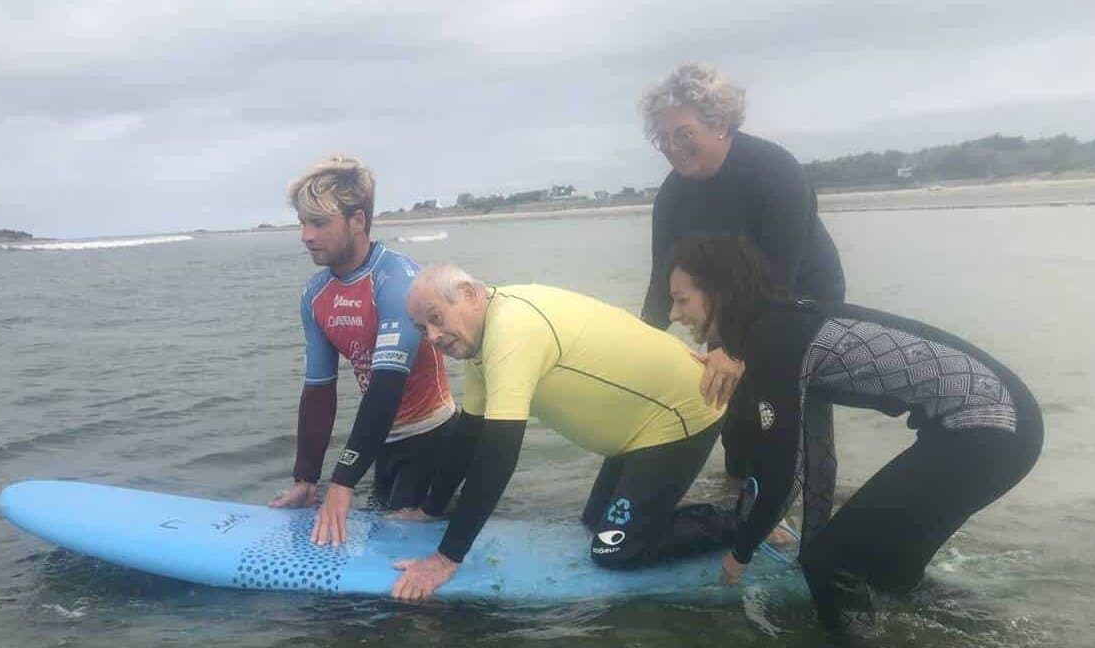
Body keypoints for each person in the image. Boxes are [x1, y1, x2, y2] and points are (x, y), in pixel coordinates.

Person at [667, 235, 1043, 633]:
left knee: (832, 564)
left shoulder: (773, 337)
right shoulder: (782, 326)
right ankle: (995, 632)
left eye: (682, 299)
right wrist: (807, 541)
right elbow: (815, 453)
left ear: (719, 291)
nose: (674, 314)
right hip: (1000, 427)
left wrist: (741, 551)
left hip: (990, 427)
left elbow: (781, 465)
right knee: (891, 574)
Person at [388, 265, 729, 601]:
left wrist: (447, 558)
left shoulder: (511, 330)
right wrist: (430, 510)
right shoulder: (483, 340)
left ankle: (743, 521)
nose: (432, 336)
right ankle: (684, 515)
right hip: (639, 430)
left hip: (681, 413)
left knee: (613, 549)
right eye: (421, 328)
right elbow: (469, 435)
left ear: (468, 296)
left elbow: (498, 456)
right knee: (595, 522)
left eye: (436, 318)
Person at [638, 63, 846, 477]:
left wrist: (731, 347)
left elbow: (779, 276)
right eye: (662, 137)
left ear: (720, 124)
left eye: (683, 134)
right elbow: (662, 282)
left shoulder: (774, 171)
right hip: (735, 305)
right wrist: (636, 346)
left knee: (792, 412)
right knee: (735, 412)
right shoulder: (673, 196)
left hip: (802, 299)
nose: (672, 147)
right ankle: (738, 496)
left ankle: (807, 514)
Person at [267, 156, 457, 548]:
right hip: (381, 445)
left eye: (319, 223)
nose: (305, 235)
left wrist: (342, 482)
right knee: (380, 545)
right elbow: (319, 391)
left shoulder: (397, 282)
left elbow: (386, 387)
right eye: (302, 223)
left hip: (432, 442)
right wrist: (307, 480)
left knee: (407, 553)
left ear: (357, 221)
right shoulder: (315, 295)